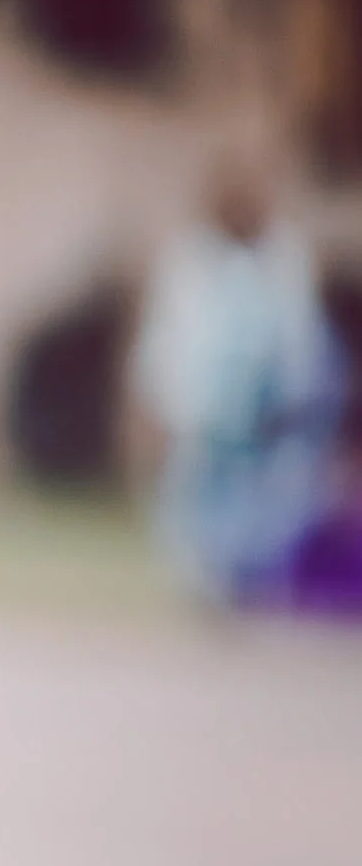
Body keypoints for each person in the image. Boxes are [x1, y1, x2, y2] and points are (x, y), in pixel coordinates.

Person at [132, 161, 346, 603]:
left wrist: (298, 392)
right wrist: (163, 397)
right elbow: (172, 336)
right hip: (206, 407)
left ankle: (256, 576)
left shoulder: (281, 258)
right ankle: (205, 578)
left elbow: (298, 333)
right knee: (200, 495)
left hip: (268, 407)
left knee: (269, 495)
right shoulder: (193, 260)